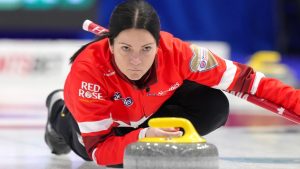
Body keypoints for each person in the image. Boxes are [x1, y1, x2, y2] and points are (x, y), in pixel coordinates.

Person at [44, 0, 300, 168]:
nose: (136, 61)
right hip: (105, 130)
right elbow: (100, 150)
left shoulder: (180, 54)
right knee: (108, 159)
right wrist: (143, 137)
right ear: (110, 45)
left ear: (159, 45)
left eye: (146, 49)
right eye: (125, 49)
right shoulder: (88, 72)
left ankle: (145, 135)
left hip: (150, 112)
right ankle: (58, 112)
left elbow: (250, 83)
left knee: (213, 105)